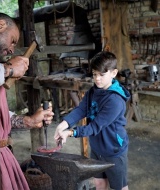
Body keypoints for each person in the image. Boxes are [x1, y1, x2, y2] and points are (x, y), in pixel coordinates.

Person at [0, 12, 54, 190]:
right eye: (13, 40)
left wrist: (28, 121)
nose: (11, 49)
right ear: (0, 25)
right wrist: (8, 69)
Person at [54, 51, 130, 190]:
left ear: (113, 73)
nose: (97, 79)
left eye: (102, 74)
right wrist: (63, 124)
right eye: (95, 74)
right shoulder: (93, 91)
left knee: (119, 187)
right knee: (99, 184)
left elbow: (94, 127)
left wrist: (70, 132)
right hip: (96, 147)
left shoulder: (115, 100)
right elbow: (81, 110)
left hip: (113, 149)